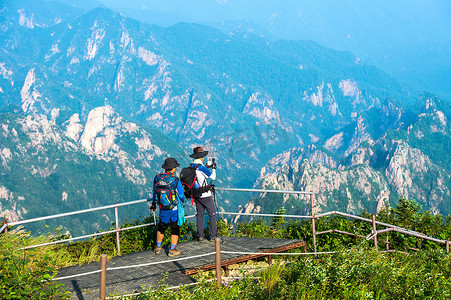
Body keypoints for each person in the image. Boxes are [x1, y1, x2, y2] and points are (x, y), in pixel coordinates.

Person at [149, 157, 185, 256]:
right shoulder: (175, 179)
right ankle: (172, 250)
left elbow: (154, 192)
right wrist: (181, 202)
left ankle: (158, 247)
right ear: (173, 168)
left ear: (165, 168)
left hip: (163, 208)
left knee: (161, 227)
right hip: (173, 208)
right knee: (175, 228)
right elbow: (181, 194)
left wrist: (154, 204)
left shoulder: (157, 177)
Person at [189, 146, 217, 242]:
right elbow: (212, 177)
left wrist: (205, 167)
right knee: (212, 215)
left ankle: (200, 236)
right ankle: (212, 236)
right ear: (202, 157)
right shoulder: (201, 167)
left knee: (200, 215)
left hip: (196, 194)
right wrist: (213, 168)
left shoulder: (191, 166)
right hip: (205, 195)